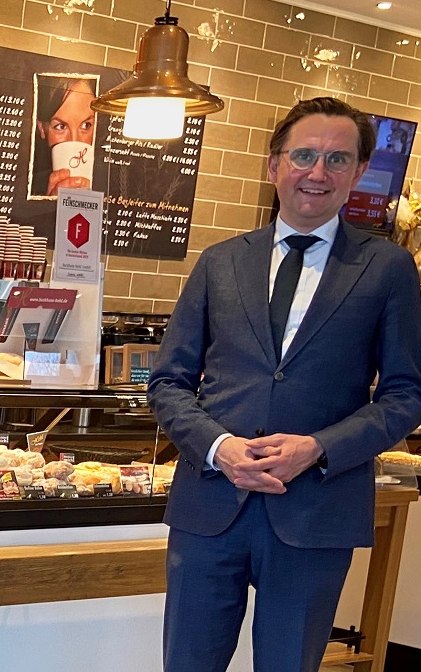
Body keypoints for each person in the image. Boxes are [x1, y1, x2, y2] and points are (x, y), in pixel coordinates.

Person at [148, 97, 421, 672]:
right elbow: (169, 381)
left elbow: (406, 395)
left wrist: (319, 448)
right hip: (210, 506)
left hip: (315, 511)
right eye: (303, 155)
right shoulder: (219, 262)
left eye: (337, 160)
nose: (317, 173)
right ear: (274, 165)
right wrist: (219, 447)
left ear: (358, 172)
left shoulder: (388, 268)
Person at [31, 75, 98, 197]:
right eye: (61, 127)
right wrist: (51, 205)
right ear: (42, 128)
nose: (74, 140)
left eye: (86, 125)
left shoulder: (113, 180)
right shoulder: (27, 185)